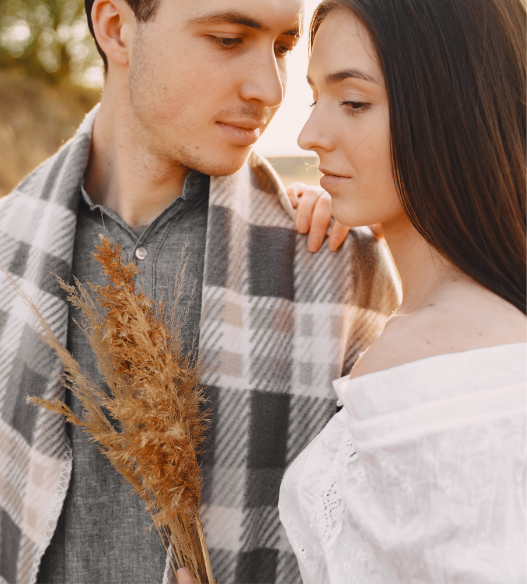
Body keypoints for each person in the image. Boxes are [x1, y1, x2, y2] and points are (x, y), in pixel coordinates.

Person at [0, 0, 400, 583]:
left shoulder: (339, 264)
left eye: (282, 47)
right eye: (227, 39)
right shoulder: (8, 248)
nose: (271, 89)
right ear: (116, 29)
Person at [276, 0, 527, 581]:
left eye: (353, 102)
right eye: (315, 99)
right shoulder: (476, 322)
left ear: (454, 111)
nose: (309, 135)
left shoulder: (437, 355)